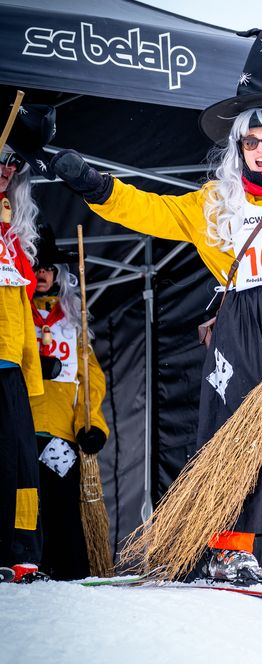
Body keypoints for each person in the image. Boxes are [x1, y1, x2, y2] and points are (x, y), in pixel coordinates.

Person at [51, 29, 262, 589]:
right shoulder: (215, 203)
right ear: (238, 147)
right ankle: (230, 547)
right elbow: (151, 210)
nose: (260, 149)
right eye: (250, 141)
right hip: (243, 324)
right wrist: (97, 186)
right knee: (238, 432)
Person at [28, 224, 109, 580]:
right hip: (22, 429)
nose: (42, 273)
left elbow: (90, 382)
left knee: (62, 506)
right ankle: (25, 567)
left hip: (61, 434)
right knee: (23, 506)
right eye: (35, 266)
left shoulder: (73, 323)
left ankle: (69, 575)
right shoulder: (15, 317)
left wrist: (91, 426)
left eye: (48, 267)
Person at [0, 103, 56, 583]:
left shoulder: (13, 234)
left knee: (20, 462)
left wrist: (31, 365)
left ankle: (21, 553)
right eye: (2, 158)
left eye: (14, 163)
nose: (8, 169)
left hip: (11, 366)